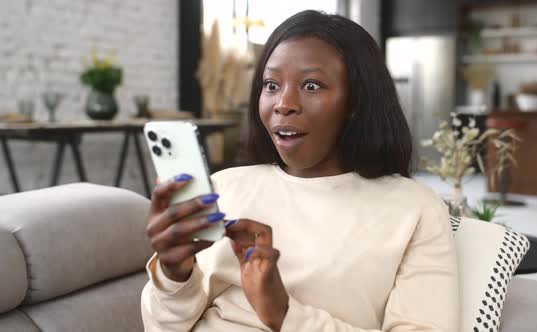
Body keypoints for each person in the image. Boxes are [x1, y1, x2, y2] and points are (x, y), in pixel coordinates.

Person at [141, 10, 459, 332]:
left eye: (311, 85)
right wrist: (173, 275)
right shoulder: (225, 186)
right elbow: (162, 326)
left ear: (356, 103)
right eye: (271, 85)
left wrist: (284, 313)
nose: (284, 103)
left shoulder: (414, 208)